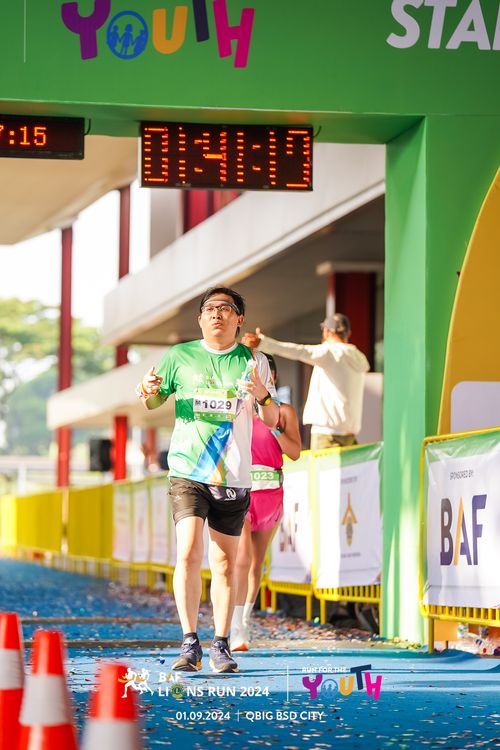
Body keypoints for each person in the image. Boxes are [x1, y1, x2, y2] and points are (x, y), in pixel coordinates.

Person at [137, 286, 279, 673]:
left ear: (239, 319)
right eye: (210, 308)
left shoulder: (254, 360)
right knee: (187, 552)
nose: (217, 313)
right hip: (188, 470)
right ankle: (189, 642)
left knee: (224, 563)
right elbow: (153, 399)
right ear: (200, 318)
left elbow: (272, 420)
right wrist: (148, 391)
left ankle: (221, 643)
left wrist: (263, 395)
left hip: (233, 474)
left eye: (226, 308)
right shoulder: (178, 356)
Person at [230, 353, 301, 652]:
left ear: (272, 376)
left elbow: (295, 452)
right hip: (242, 493)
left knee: (256, 563)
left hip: (271, 494)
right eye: (252, 371)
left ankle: (245, 620)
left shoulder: (285, 412)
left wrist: (275, 428)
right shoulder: (237, 409)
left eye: (263, 372)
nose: (257, 376)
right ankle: (235, 627)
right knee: (242, 557)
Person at [243, 313, 369, 450]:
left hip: (326, 434)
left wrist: (263, 343)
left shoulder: (329, 352)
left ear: (327, 331)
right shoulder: (359, 357)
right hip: (350, 434)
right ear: (348, 333)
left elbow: (299, 351)